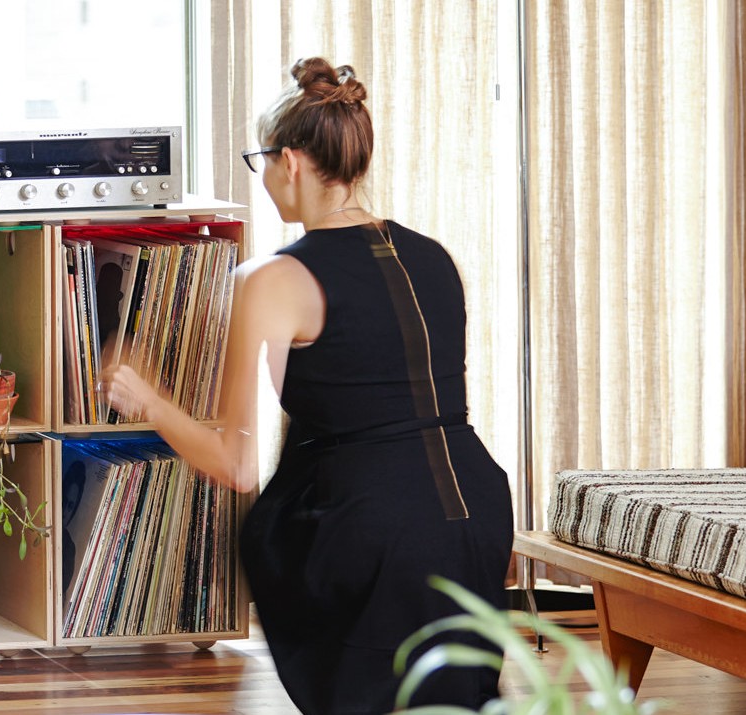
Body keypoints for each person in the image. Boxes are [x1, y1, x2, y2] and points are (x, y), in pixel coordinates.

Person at [99, 57, 514, 713]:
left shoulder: (272, 281)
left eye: (259, 161)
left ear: (290, 161)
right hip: (481, 510)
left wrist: (146, 399)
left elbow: (236, 465)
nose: (261, 178)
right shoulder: (436, 256)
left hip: (374, 529)